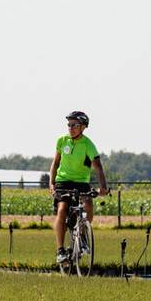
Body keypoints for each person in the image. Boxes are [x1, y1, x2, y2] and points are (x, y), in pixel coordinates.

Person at [49, 111, 109, 265]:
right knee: (62, 209)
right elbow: (55, 163)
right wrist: (51, 183)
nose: (70, 127)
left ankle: (82, 234)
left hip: (81, 182)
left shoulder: (88, 145)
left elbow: (98, 166)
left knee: (88, 204)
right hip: (63, 181)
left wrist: (103, 187)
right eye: (69, 125)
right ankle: (60, 251)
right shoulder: (62, 141)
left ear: (83, 127)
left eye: (74, 125)